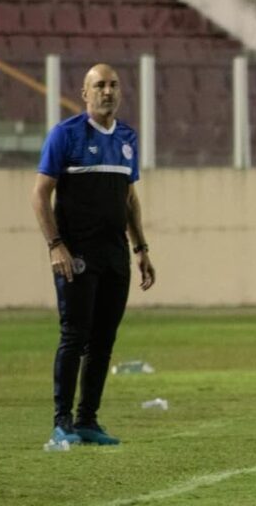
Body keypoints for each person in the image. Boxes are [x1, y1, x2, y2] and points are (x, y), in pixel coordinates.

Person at [31, 63, 155, 446]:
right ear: (84, 93)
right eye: (99, 85)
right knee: (74, 336)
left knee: (103, 341)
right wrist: (56, 245)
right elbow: (40, 195)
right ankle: (61, 421)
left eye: (113, 84)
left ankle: (87, 420)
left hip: (115, 254)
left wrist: (141, 247)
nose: (107, 91)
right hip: (77, 254)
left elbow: (129, 198)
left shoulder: (128, 137)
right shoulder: (65, 135)